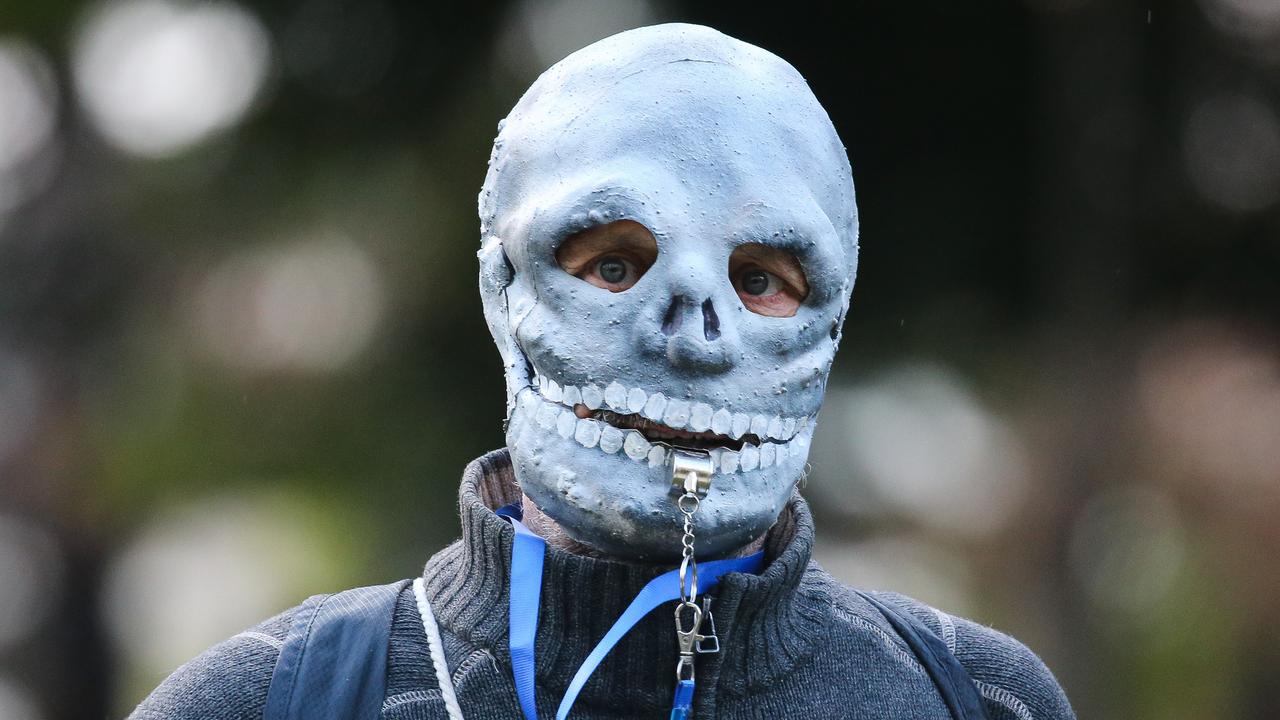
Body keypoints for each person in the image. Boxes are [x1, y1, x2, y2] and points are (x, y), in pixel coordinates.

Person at [130, 23, 1075, 720]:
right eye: (614, 265)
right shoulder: (265, 702)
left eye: (762, 280)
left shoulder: (978, 701)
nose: (698, 338)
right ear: (504, 291)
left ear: (830, 324)